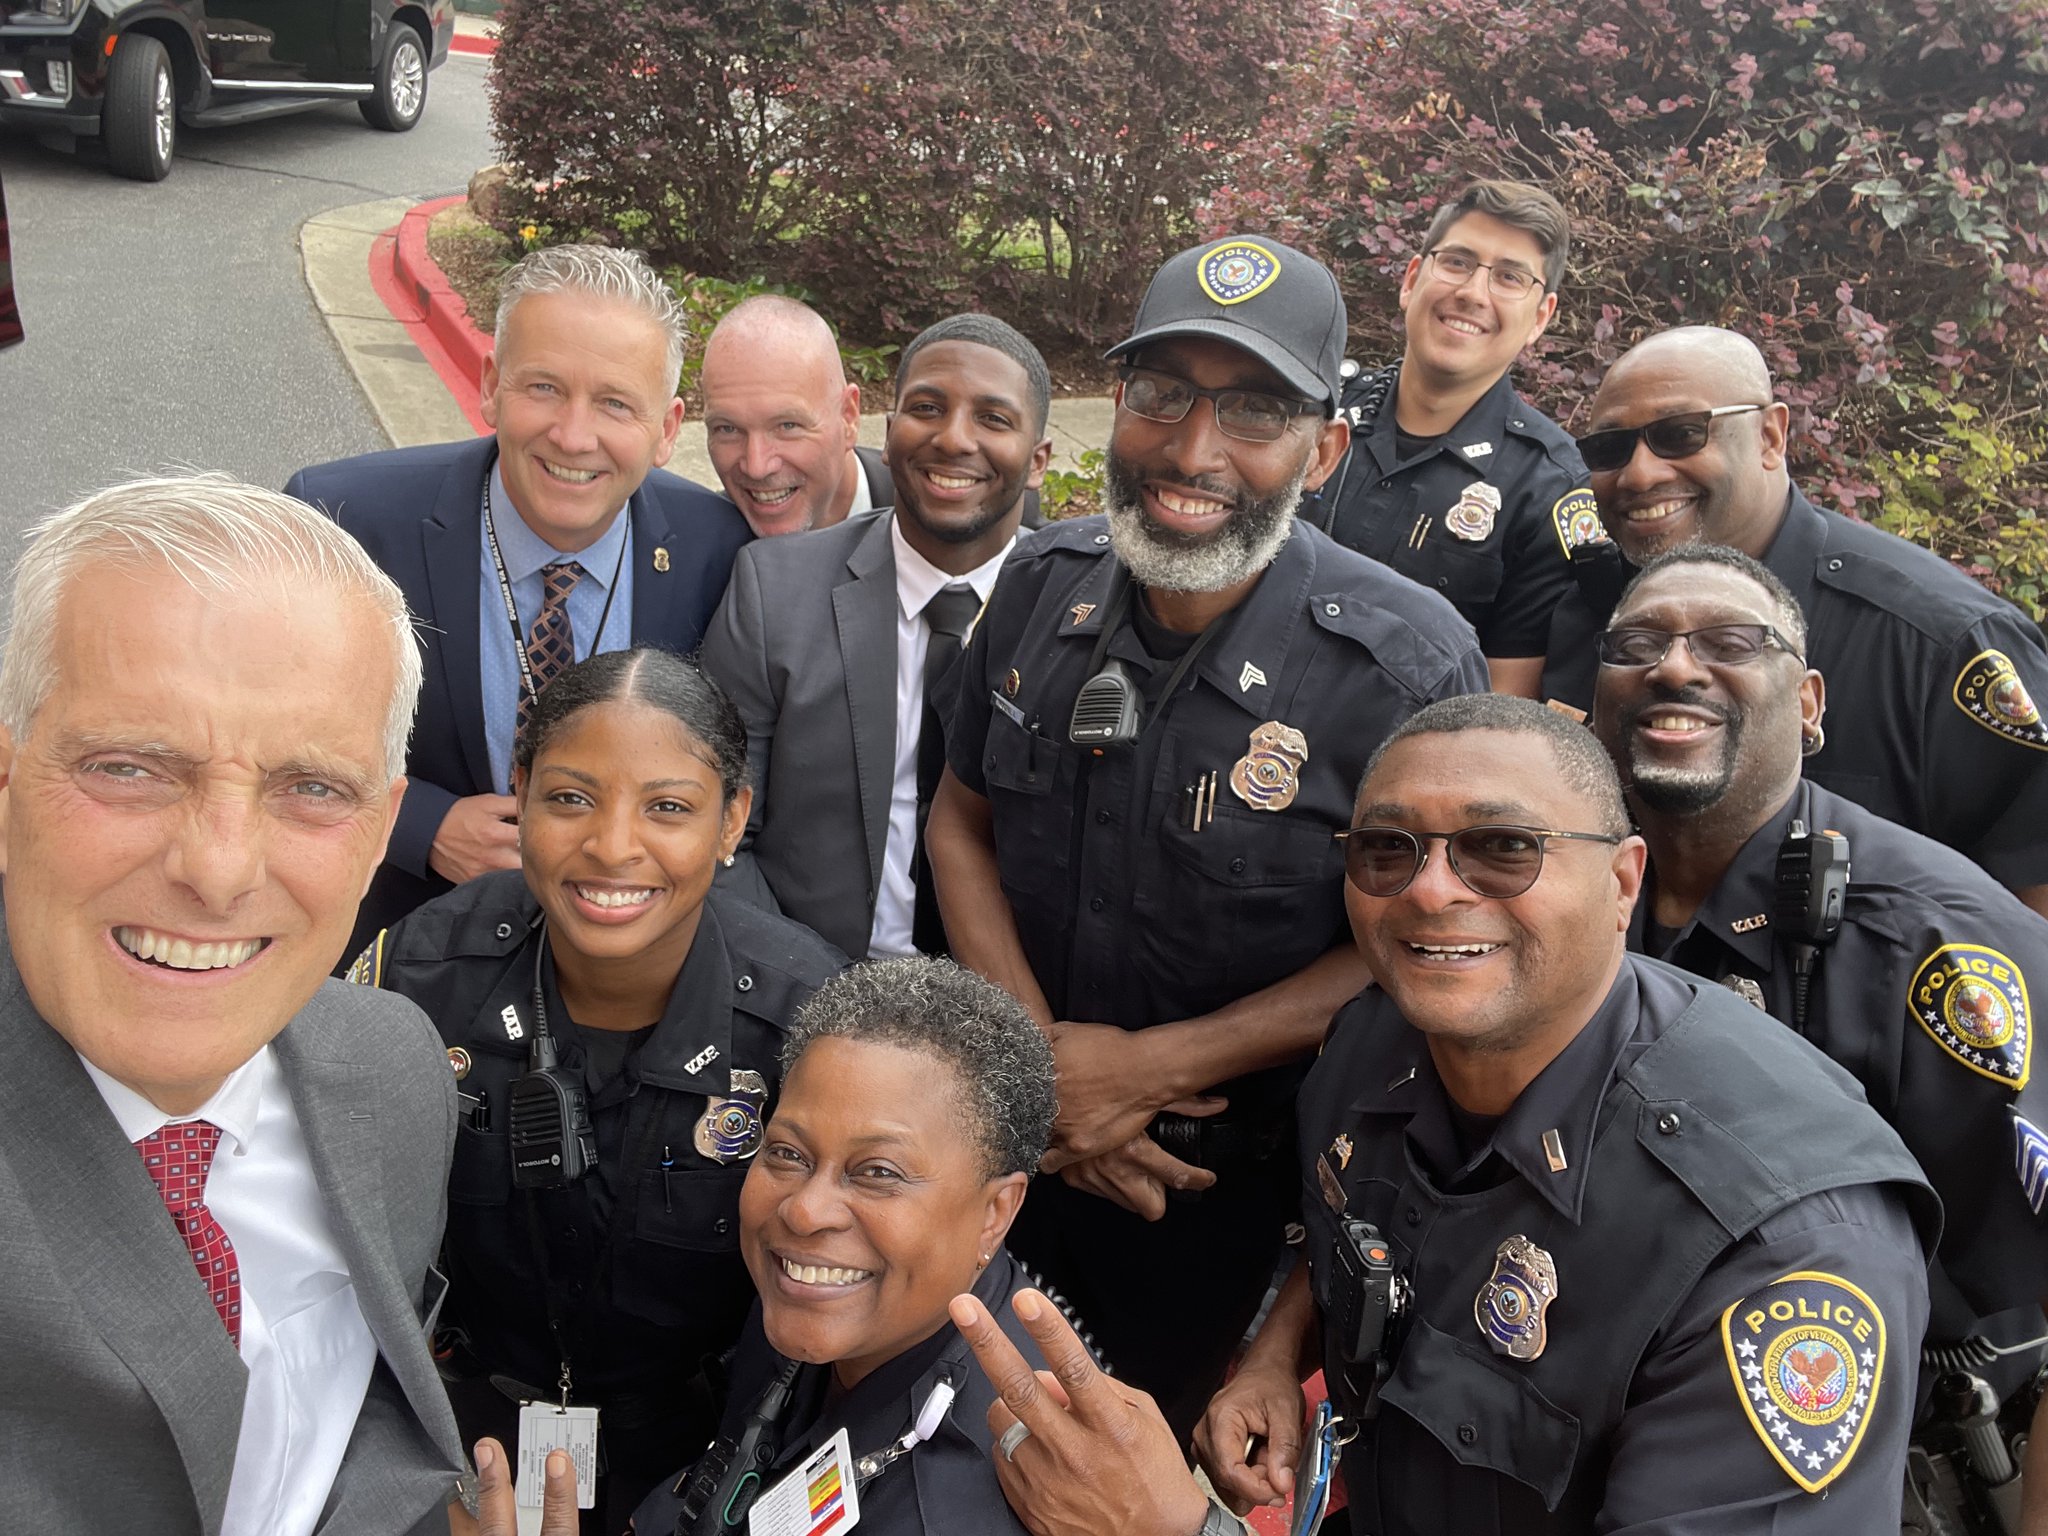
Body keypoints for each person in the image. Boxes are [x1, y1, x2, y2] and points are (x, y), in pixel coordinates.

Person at [926, 234, 1489, 1438]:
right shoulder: (1040, 579)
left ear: (1324, 447)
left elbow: (1426, 942)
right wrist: (1043, 1072)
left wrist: (1149, 1069)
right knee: (960, 1448)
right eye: (1161, 393)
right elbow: (960, 818)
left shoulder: (1401, 667)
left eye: (1252, 409)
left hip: (1221, 1206)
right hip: (1009, 1145)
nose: (1192, 450)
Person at [0, 475, 465, 1535]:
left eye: (312, 788)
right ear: (6, 780)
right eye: (129, 768)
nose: (217, 869)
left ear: (377, 834)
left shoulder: (395, 1069)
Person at [1589, 544, 2048, 1530]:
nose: (1672, 666)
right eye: (1636, 642)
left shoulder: (1938, 946)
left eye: (1727, 641)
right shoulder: (1565, 889)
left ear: (1806, 703)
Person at [348, 647, 844, 1533]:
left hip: (708, 1453)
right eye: (572, 798)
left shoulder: (808, 1019)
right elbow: (328, 1243)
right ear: (522, 790)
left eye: (669, 808)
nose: (614, 847)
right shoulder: (423, 976)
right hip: (462, 1432)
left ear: (733, 821)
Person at [285, 243, 752, 951]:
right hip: (398, 944)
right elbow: (278, 733)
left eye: (616, 403)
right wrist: (422, 825)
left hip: (624, 957)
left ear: (666, 429)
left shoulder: (718, 549)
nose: (573, 434)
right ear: (490, 385)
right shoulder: (343, 520)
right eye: (543, 388)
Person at [1538, 325, 2048, 916]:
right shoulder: (1590, 613)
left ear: (1771, 436)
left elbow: (2032, 890)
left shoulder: (1934, 642)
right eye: (1609, 449)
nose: (1639, 474)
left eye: (1680, 435)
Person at [627, 956, 1068, 1536]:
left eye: (878, 1171)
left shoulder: (952, 1509)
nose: (805, 1211)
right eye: (787, 1153)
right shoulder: (825, 1294)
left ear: (995, 1214)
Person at [702, 313, 1053, 959]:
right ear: (886, 437)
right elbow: (718, 835)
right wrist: (813, 999)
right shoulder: (772, 591)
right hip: (813, 987)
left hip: (1013, 1005)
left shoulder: (1078, 610)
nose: (953, 439)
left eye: (993, 419)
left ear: (1037, 463)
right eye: (927, 407)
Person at [1311, 180, 1589, 698]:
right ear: (1412, 279)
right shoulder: (1317, 414)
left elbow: (1501, 710)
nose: (1472, 293)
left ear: (1541, 318)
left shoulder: (1548, 489)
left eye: (1509, 277)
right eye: (1457, 262)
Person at [700, 295, 870, 538]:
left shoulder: (925, 513)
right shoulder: (701, 549)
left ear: (848, 417)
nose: (757, 467)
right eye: (728, 429)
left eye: (787, 426)